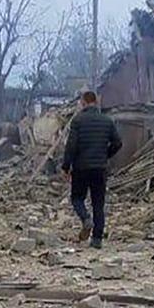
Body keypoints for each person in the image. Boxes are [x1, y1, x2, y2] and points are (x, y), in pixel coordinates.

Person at [61, 90, 122, 248]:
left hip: (81, 168)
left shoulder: (77, 121)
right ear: (96, 101)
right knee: (98, 204)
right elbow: (118, 143)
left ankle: (85, 219)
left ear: (83, 102)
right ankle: (97, 240)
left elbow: (71, 146)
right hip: (100, 169)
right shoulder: (107, 121)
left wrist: (66, 167)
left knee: (77, 198)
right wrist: (105, 155)